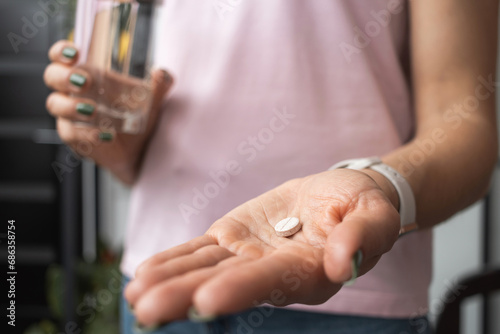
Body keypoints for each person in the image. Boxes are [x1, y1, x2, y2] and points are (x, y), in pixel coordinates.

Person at [44, 0, 499, 333]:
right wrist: (115, 143)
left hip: (355, 301)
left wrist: (378, 184)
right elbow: (132, 152)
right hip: (165, 274)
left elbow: (464, 125)